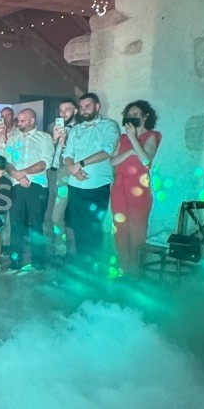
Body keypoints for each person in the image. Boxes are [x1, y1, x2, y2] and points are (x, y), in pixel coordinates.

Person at [61, 93, 120, 267]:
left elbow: (106, 151)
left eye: (88, 106)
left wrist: (80, 164)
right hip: (75, 185)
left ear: (97, 107)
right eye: (81, 106)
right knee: (78, 227)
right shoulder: (76, 129)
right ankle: (82, 266)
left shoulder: (109, 126)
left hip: (97, 185)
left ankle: (95, 268)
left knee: (93, 228)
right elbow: (67, 154)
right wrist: (74, 168)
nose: (84, 110)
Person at [110, 100, 162, 274]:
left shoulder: (152, 135)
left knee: (137, 228)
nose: (131, 117)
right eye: (129, 115)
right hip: (119, 186)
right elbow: (113, 161)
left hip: (138, 187)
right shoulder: (122, 138)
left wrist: (133, 139)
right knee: (120, 228)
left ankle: (136, 271)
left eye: (136, 114)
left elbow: (146, 161)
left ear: (146, 116)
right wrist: (130, 151)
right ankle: (123, 269)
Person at [5, 108, 55, 273]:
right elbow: (7, 161)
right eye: (18, 120)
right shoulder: (12, 139)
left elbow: (45, 162)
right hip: (17, 185)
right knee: (16, 224)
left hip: (37, 186)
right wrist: (17, 176)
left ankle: (38, 261)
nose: (18, 123)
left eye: (22, 121)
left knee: (36, 225)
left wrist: (24, 172)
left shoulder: (45, 138)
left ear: (32, 120)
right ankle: (15, 260)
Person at [46, 99, 78, 257]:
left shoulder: (79, 129)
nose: (63, 113)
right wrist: (53, 139)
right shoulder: (53, 127)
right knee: (47, 214)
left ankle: (61, 250)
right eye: (60, 110)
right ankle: (49, 249)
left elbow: (77, 154)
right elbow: (46, 152)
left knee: (56, 216)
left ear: (75, 111)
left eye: (67, 109)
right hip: (51, 172)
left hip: (65, 173)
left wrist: (65, 143)